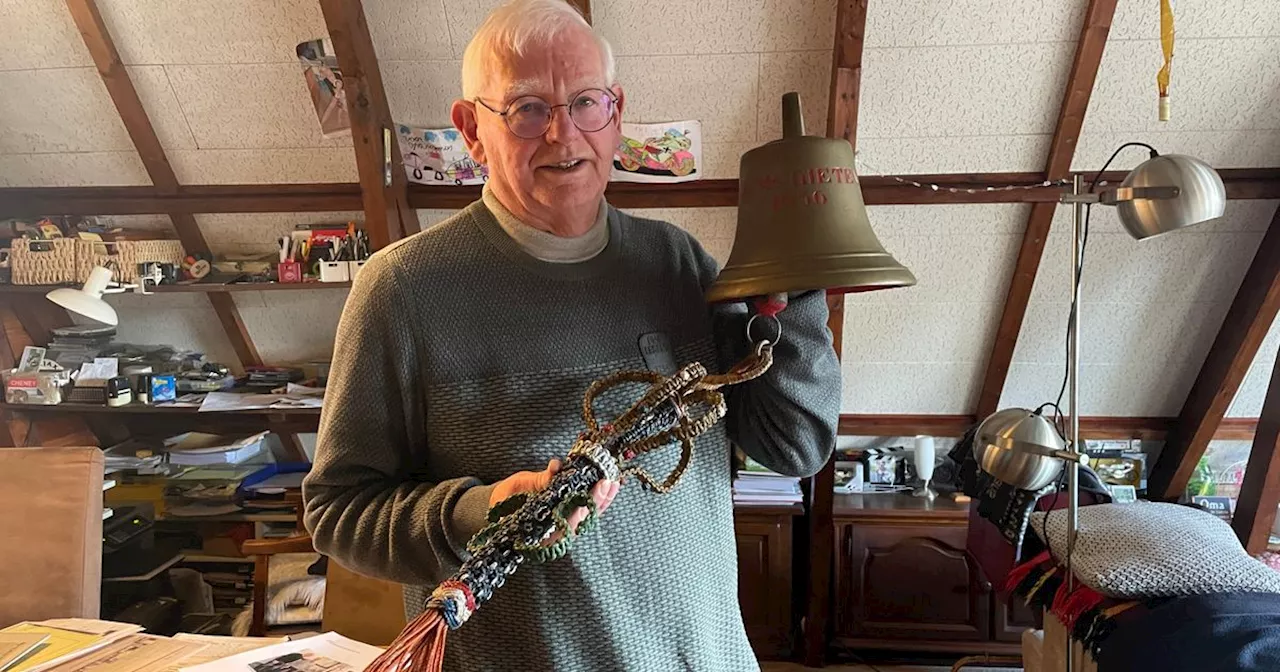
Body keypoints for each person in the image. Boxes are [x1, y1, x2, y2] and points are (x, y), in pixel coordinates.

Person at [302, 1, 840, 669]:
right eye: (528, 109)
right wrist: (477, 511)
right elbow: (337, 512)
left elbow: (797, 444)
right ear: (471, 129)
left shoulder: (677, 264)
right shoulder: (404, 290)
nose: (564, 136)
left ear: (614, 111)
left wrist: (798, 288)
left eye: (586, 102)